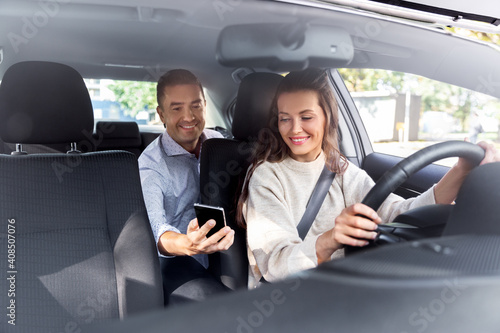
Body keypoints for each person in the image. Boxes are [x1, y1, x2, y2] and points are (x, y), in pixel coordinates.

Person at [237, 68, 500, 289]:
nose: (294, 129)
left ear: (328, 118)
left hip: (346, 286)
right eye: (285, 119)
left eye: (306, 117)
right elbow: (275, 264)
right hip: (289, 297)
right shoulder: (266, 177)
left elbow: (400, 214)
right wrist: (329, 240)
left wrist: (460, 171)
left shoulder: (339, 169)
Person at [139, 69, 235, 305]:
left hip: (228, 249)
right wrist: (187, 244)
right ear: (161, 114)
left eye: (196, 106)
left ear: (204, 105)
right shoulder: (150, 165)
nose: (189, 116)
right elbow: (157, 231)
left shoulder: (220, 144)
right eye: (176, 108)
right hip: (178, 258)